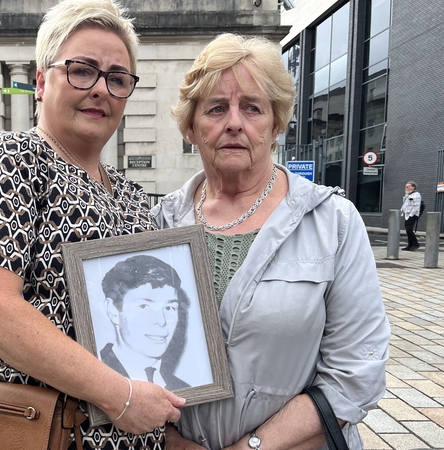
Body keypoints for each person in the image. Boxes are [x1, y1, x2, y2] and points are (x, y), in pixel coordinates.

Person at [0, 0, 184, 448]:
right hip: (31, 433)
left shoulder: (130, 195)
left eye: (117, 78)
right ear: (42, 82)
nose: (101, 89)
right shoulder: (9, 160)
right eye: (82, 70)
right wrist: (120, 397)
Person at [151, 33, 391, 450]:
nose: (234, 123)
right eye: (216, 108)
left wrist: (253, 447)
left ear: (276, 123)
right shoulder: (159, 223)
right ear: (191, 126)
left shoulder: (332, 222)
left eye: (252, 107)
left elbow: (356, 372)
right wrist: (171, 443)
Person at [100, 254, 191, 390]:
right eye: (144, 307)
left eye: (169, 307)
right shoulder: (93, 377)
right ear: (113, 311)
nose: (161, 321)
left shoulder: (184, 388)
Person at [401, 181, 422, 251]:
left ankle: (415, 243)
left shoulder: (416, 195)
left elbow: (416, 206)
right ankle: (410, 245)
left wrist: (411, 215)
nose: (406, 188)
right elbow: (405, 205)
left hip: (412, 215)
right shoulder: (408, 195)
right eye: (405, 187)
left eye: (407, 187)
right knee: (408, 230)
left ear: (413, 187)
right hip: (407, 215)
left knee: (409, 229)